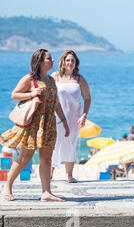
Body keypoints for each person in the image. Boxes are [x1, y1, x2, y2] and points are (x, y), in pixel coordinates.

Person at [1, 49, 70, 202]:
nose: (53, 61)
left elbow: (56, 104)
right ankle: (7, 187)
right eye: (49, 58)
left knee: (46, 159)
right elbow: (14, 94)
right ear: (39, 62)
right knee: (25, 157)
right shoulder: (30, 78)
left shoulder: (51, 81)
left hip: (49, 123)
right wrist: (31, 94)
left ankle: (46, 192)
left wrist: (64, 123)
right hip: (33, 124)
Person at [51, 50, 91, 183]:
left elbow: (88, 98)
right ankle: (49, 173)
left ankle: (69, 175)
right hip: (56, 116)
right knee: (54, 143)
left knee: (71, 144)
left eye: (72, 60)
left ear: (76, 63)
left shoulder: (79, 79)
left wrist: (84, 115)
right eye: (67, 60)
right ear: (63, 62)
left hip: (74, 118)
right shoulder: (55, 77)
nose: (70, 63)